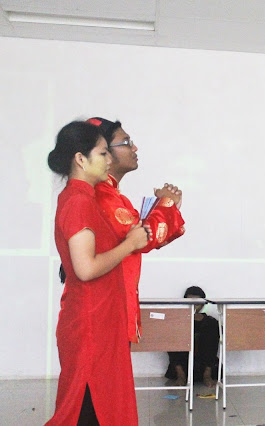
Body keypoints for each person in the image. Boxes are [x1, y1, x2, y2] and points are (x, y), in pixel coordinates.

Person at [46, 121, 150, 425]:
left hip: (100, 320)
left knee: (101, 408)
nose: (109, 160)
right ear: (81, 159)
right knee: (90, 411)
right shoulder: (79, 201)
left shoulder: (83, 197)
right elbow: (86, 268)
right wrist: (130, 244)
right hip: (91, 325)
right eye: (103, 153)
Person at [86, 117, 186, 343]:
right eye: (126, 142)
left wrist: (168, 207)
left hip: (112, 308)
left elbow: (142, 238)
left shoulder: (114, 196)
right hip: (105, 312)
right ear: (103, 152)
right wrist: (167, 204)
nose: (135, 148)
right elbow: (143, 238)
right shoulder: (102, 196)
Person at [165, 286, 220, 388]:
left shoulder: (211, 322)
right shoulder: (177, 321)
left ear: (203, 304)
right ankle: (181, 375)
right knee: (173, 331)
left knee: (212, 328)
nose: (194, 306)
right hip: (182, 365)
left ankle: (207, 374)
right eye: (190, 302)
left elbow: (213, 346)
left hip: (205, 365)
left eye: (197, 302)